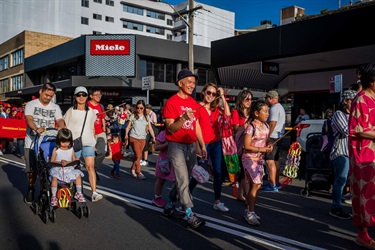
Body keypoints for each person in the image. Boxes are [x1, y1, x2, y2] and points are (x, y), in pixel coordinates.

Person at [162, 68, 207, 230]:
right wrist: (182, 118)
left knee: (185, 180)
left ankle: (170, 203)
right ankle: (189, 213)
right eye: (189, 82)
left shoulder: (192, 102)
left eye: (194, 83)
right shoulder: (171, 103)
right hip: (176, 145)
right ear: (180, 83)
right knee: (182, 178)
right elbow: (171, 128)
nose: (192, 85)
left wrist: (201, 145)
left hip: (190, 146)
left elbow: (196, 126)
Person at [189, 83, 231, 212]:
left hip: (216, 142)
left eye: (214, 94)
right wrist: (199, 146)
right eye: (208, 93)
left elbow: (228, 115)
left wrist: (222, 96)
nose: (211, 96)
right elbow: (195, 127)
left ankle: (217, 201)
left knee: (218, 173)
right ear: (203, 92)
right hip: (204, 144)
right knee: (200, 171)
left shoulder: (216, 108)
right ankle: (187, 194)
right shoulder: (197, 107)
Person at [24, 82, 65, 204]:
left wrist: (62, 127)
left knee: (46, 168)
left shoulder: (55, 107)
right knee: (32, 170)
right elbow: (29, 119)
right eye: (46, 95)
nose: (48, 97)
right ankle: (31, 189)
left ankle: (43, 190)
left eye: (51, 96)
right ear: (40, 92)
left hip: (48, 143)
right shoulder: (31, 104)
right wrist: (36, 129)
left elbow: (60, 120)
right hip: (31, 142)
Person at [348, 63, 375, 248]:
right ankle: (363, 234)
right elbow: (358, 129)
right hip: (363, 154)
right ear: (372, 82)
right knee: (364, 193)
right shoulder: (361, 99)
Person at [64, 86, 103, 202]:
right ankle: (72, 189)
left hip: (88, 143)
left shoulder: (91, 112)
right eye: (78, 95)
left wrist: (94, 142)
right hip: (74, 143)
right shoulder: (70, 111)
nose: (81, 97)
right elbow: (64, 127)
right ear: (75, 97)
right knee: (73, 167)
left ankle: (94, 192)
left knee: (90, 167)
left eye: (84, 95)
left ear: (87, 97)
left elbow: (92, 128)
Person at [242, 100, 273, 226]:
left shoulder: (265, 126)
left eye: (268, 111)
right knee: (256, 184)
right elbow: (246, 146)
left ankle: (249, 210)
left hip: (259, 160)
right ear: (256, 113)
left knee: (257, 186)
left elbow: (267, 140)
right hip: (249, 159)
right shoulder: (250, 127)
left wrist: (269, 145)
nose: (267, 114)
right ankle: (250, 211)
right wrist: (262, 149)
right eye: (265, 111)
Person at [328, 90, 356, 220]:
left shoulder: (354, 115)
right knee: (341, 180)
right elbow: (347, 131)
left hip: (352, 152)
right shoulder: (339, 114)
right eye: (352, 101)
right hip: (341, 152)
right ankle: (336, 207)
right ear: (345, 101)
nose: (355, 104)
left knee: (351, 181)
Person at [49, 128, 86, 206]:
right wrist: (60, 162)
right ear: (59, 141)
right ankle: (53, 196)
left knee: (78, 175)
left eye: (68, 142)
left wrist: (71, 162)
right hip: (58, 169)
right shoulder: (56, 150)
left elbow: (74, 160)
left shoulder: (71, 149)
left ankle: (78, 193)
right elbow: (52, 161)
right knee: (54, 178)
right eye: (63, 142)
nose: (65, 144)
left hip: (69, 169)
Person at [125, 100, 156, 180]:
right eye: (138, 108)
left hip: (142, 138)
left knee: (138, 156)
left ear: (144, 108)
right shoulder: (133, 116)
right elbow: (128, 127)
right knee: (138, 155)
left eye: (141, 108)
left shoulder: (147, 117)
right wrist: (126, 135)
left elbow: (150, 128)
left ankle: (132, 169)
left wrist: (153, 137)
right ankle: (139, 172)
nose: (139, 110)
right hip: (133, 137)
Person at [231, 90, 253, 201]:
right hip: (239, 145)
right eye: (247, 99)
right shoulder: (236, 112)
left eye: (250, 99)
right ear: (241, 100)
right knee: (244, 171)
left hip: (250, 144)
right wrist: (247, 125)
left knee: (244, 171)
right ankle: (249, 198)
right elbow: (235, 129)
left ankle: (240, 195)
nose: (249, 101)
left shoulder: (252, 113)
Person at [262, 90, 285, 192]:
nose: (266, 100)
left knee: (269, 161)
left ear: (270, 98)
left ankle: (272, 185)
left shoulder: (274, 108)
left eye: (267, 98)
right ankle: (276, 183)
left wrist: (267, 137)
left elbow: (272, 124)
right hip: (279, 136)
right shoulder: (280, 107)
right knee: (276, 161)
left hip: (272, 136)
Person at [151, 125, 175, 208]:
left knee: (177, 182)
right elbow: (156, 147)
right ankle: (157, 197)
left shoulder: (179, 134)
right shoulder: (163, 133)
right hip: (164, 161)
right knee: (161, 179)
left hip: (175, 161)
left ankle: (173, 200)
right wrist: (167, 144)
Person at [88, 87, 106, 182]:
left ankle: (93, 168)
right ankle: (92, 171)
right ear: (91, 96)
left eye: (100, 95)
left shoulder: (101, 106)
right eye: (97, 95)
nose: (99, 96)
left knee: (102, 152)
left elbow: (102, 118)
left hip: (100, 132)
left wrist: (104, 128)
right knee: (91, 153)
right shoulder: (86, 105)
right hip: (90, 132)